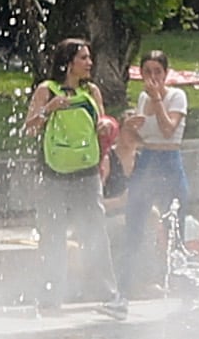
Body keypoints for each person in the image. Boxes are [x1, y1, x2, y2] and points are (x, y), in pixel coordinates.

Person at [21, 39, 127, 317]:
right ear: (68, 62)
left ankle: (110, 295)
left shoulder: (92, 91)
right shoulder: (47, 90)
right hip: (53, 175)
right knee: (52, 236)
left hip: (87, 172)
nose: (89, 63)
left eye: (89, 57)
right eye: (83, 58)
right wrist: (49, 109)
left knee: (96, 234)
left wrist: (106, 137)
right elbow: (30, 128)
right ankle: (49, 297)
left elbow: (101, 129)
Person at [118, 48, 192, 294]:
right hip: (148, 159)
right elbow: (144, 135)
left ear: (165, 73)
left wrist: (157, 99)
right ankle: (125, 289)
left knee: (175, 227)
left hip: (169, 160)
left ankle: (183, 288)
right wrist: (129, 128)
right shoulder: (142, 99)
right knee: (135, 225)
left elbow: (168, 129)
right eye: (147, 72)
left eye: (157, 72)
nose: (152, 77)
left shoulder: (177, 96)